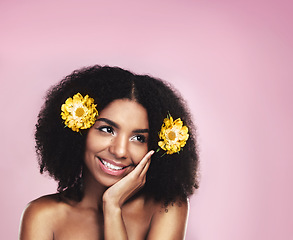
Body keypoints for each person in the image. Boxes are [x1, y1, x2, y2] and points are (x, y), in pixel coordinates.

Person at [19, 65, 199, 239]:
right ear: (79, 130)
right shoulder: (42, 216)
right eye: (107, 129)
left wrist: (112, 207)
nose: (120, 151)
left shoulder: (166, 207)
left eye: (138, 138)